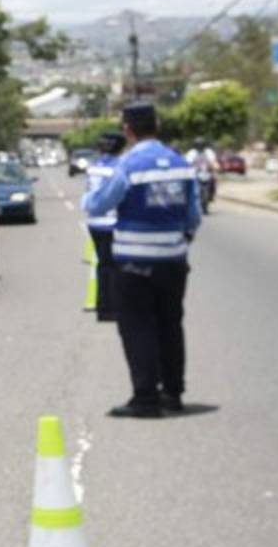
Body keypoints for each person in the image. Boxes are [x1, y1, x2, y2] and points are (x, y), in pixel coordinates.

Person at [83, 102, 202, 419]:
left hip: (134, 261)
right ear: (158, 125)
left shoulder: (129, 165)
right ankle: (173, 393)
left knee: (138, 328)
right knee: (170, 325)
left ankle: (146, 397)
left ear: (128, 130)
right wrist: (181, 237)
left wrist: (89, 196)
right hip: (174, 260)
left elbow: (97, 205)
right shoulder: (180, 162)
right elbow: (193, 215)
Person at [83, 131, 125, 323]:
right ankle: (112, 308)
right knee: (114, 267)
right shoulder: (119, 168)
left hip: (94, 223)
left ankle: (103, 307)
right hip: (112, 222)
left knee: (102, 265)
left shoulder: (93, 168)